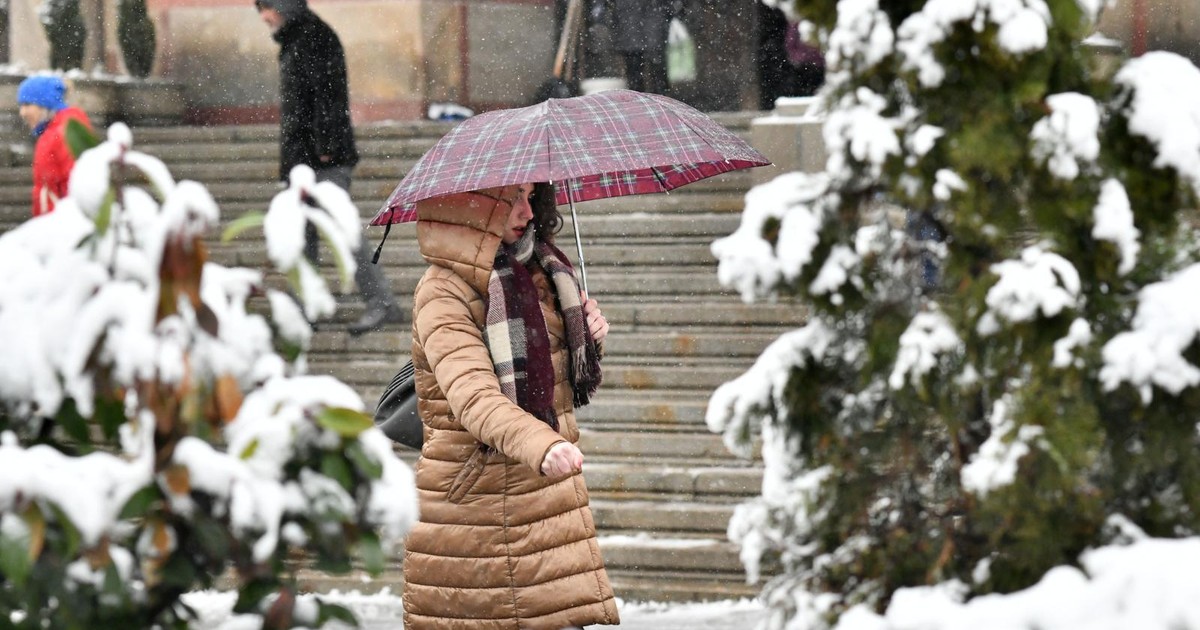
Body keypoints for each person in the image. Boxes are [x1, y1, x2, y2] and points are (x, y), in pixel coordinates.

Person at [402, 182, 619, 629]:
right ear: (473, 205)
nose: (527, 210)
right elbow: (473, 396)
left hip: (546, 503)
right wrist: (543, 446)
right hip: (481, 511)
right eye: (513, 197)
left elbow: (553, 382)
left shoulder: (540, 269)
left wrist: (587, 338)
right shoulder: (444, 291)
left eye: (531, 195)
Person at [255, 0, 402, 336]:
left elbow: (328, 96)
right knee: (302, 234)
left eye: (266, 7)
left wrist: (325, 148)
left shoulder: (315, 36)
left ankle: (382, 302)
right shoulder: (296, 38)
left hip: (324, 158)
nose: (263, 16)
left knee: (344, 230)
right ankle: (304, 307)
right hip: (302, 159)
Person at [17, 75, 91, 217]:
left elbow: (75, 186)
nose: (22, 113)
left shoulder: (63, 133)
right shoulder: (55, 131)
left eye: (27, 104)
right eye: (21, 106)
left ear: (45, 105)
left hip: (64, 226)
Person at [609, 0, 673, 94]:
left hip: (631, 24)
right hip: (649, 24)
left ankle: (641, 100)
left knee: (637, 76)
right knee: (655, 74)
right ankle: (659, 98)